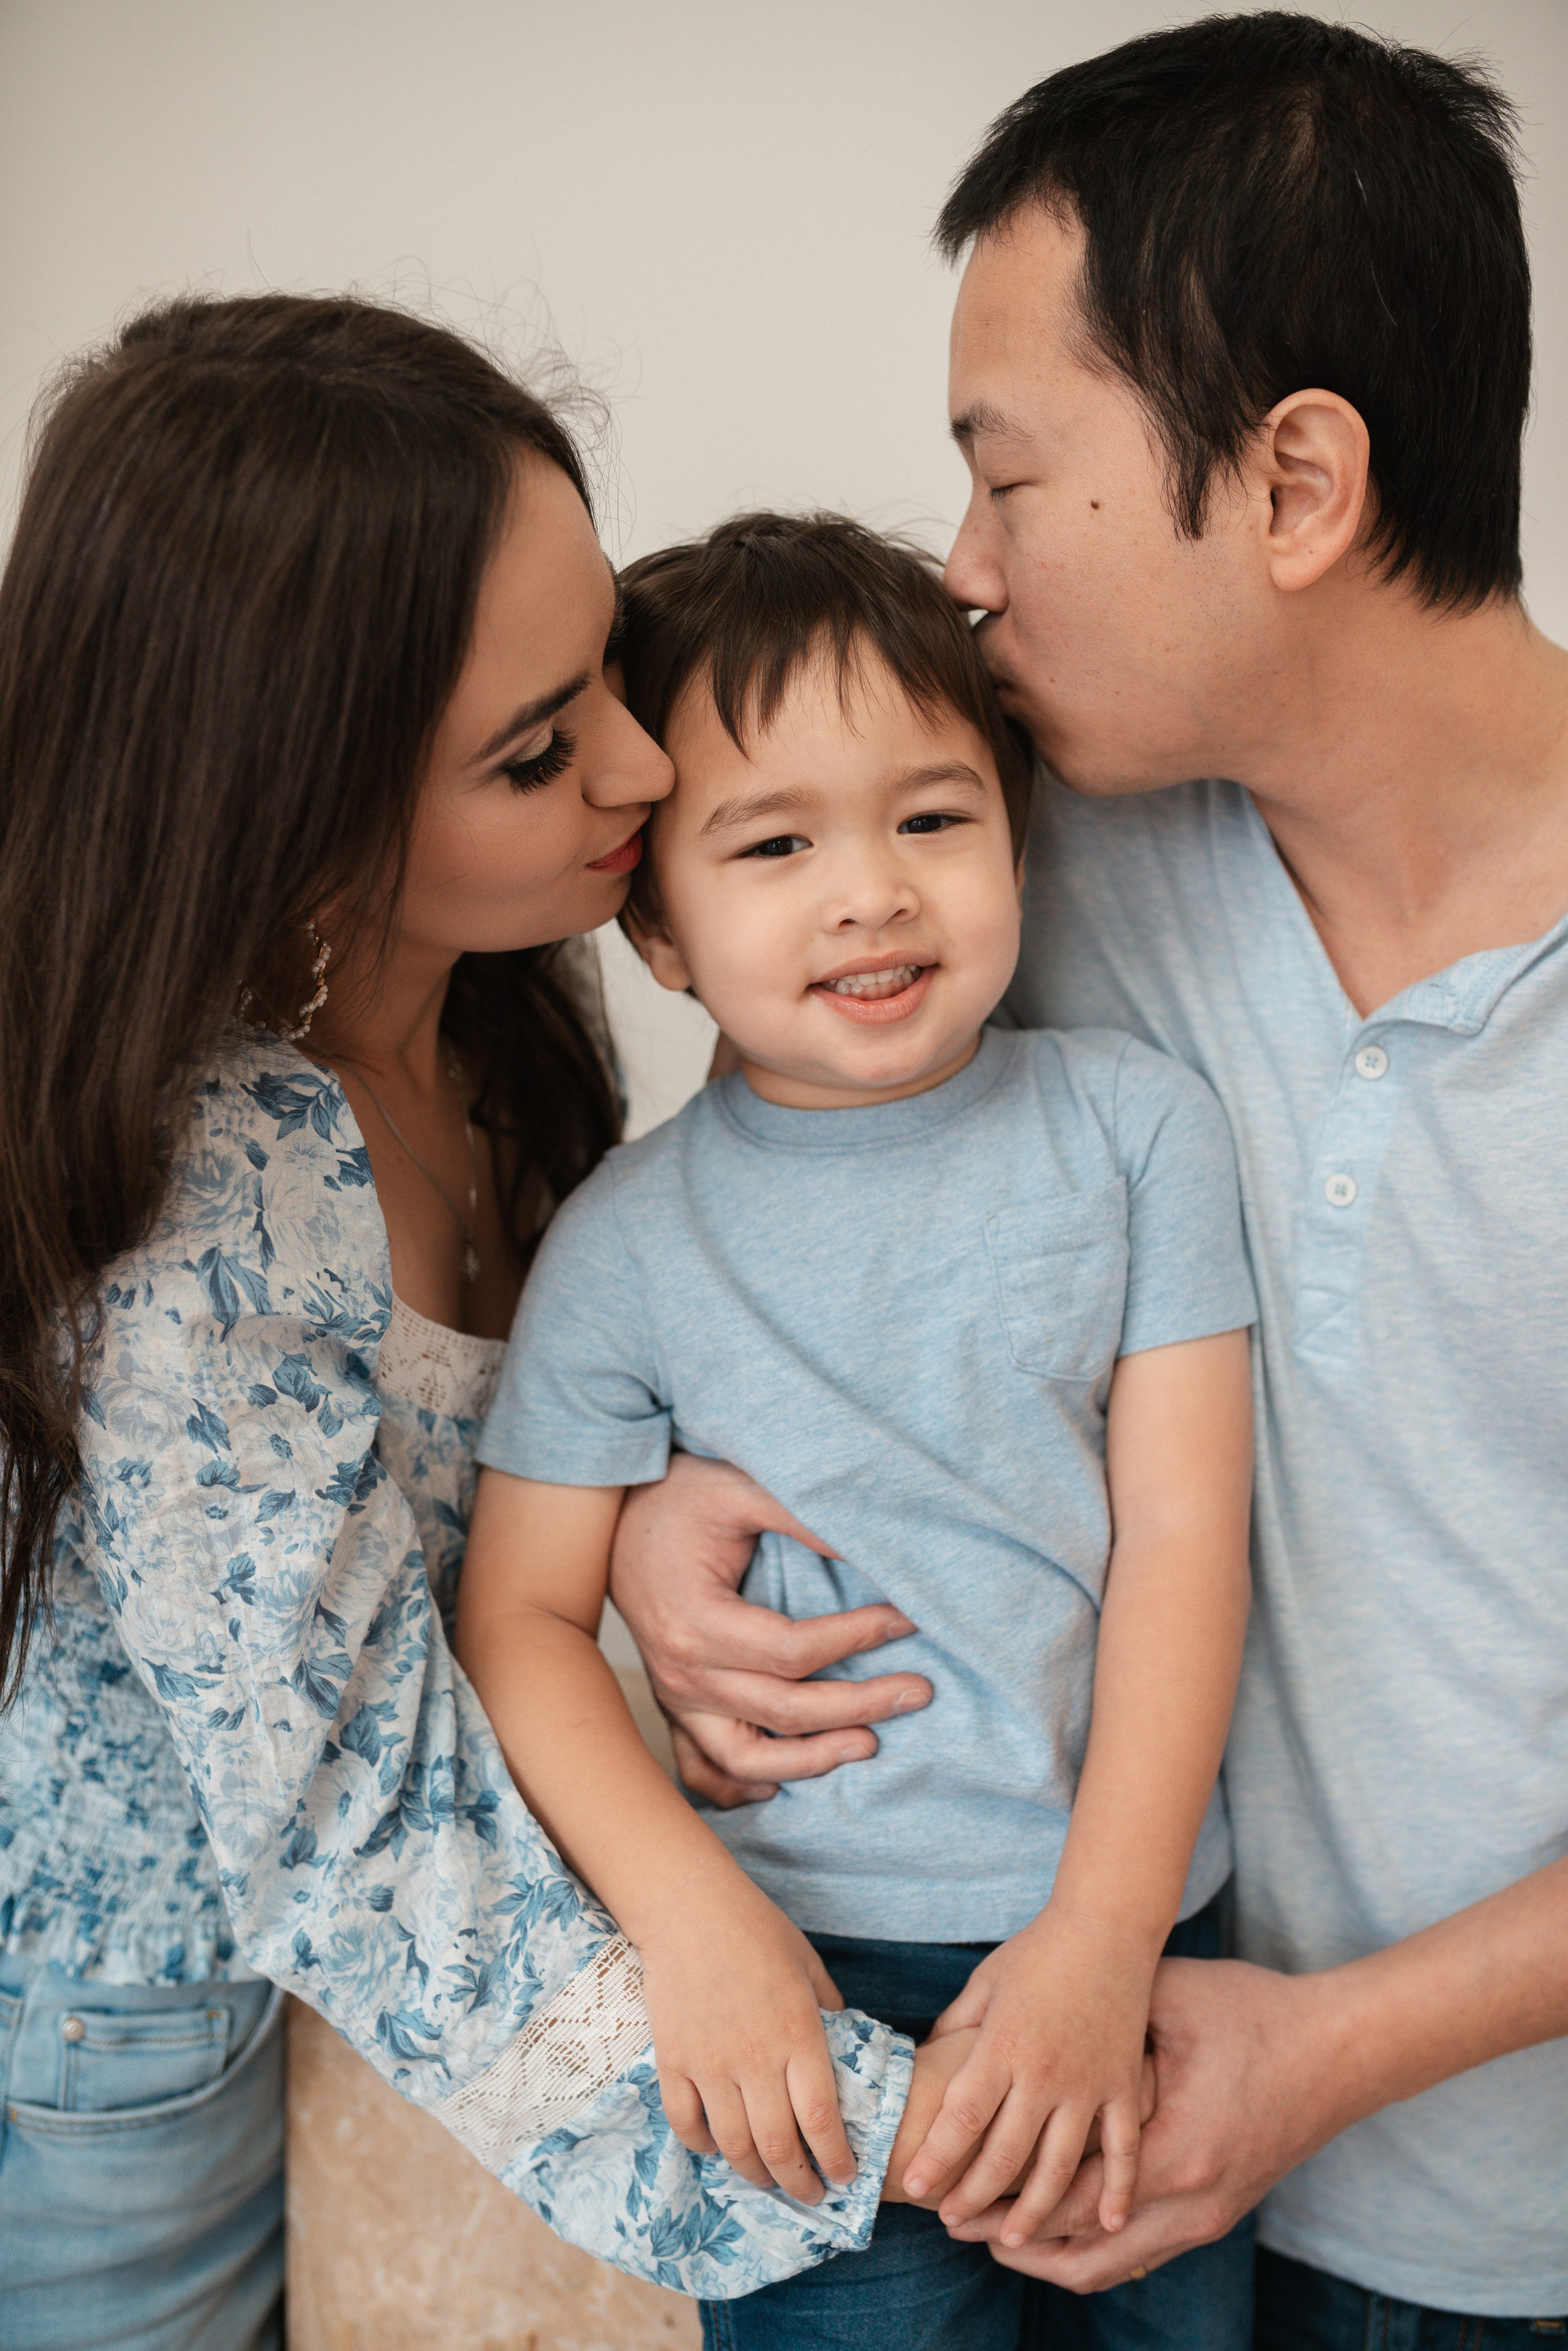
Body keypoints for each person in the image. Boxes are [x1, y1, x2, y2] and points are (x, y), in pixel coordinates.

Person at [605, 14, 1568, 2343]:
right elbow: (818, 1233)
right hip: (1094, 2168)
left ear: (1297, 484)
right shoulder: (1037, 867)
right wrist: (660, 1506)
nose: (965, 575)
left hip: (1499, 2244)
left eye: (1010, 483)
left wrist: (1333, 2054)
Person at [0, 293, 970, 2350]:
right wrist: (882, 2117)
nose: (642, 755)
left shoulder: (506, 1016)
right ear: (298, 801)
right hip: (123, 2009)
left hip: (390, 1961)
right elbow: (349, 1800)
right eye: (538, 751)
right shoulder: (213, 1204)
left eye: (606, 655)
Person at [458, 510, 1257, 2351]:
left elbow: (1189, 1546)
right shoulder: (627, 1243)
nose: (871, 890)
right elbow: (516, 1616)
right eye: (777, 842)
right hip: (804, 1983)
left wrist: (1101, 1934)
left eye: (932, 816)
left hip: (1131, 1934)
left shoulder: (1139, 1136)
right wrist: (693, 1922)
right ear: (653, 920)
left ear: (1016, 833)